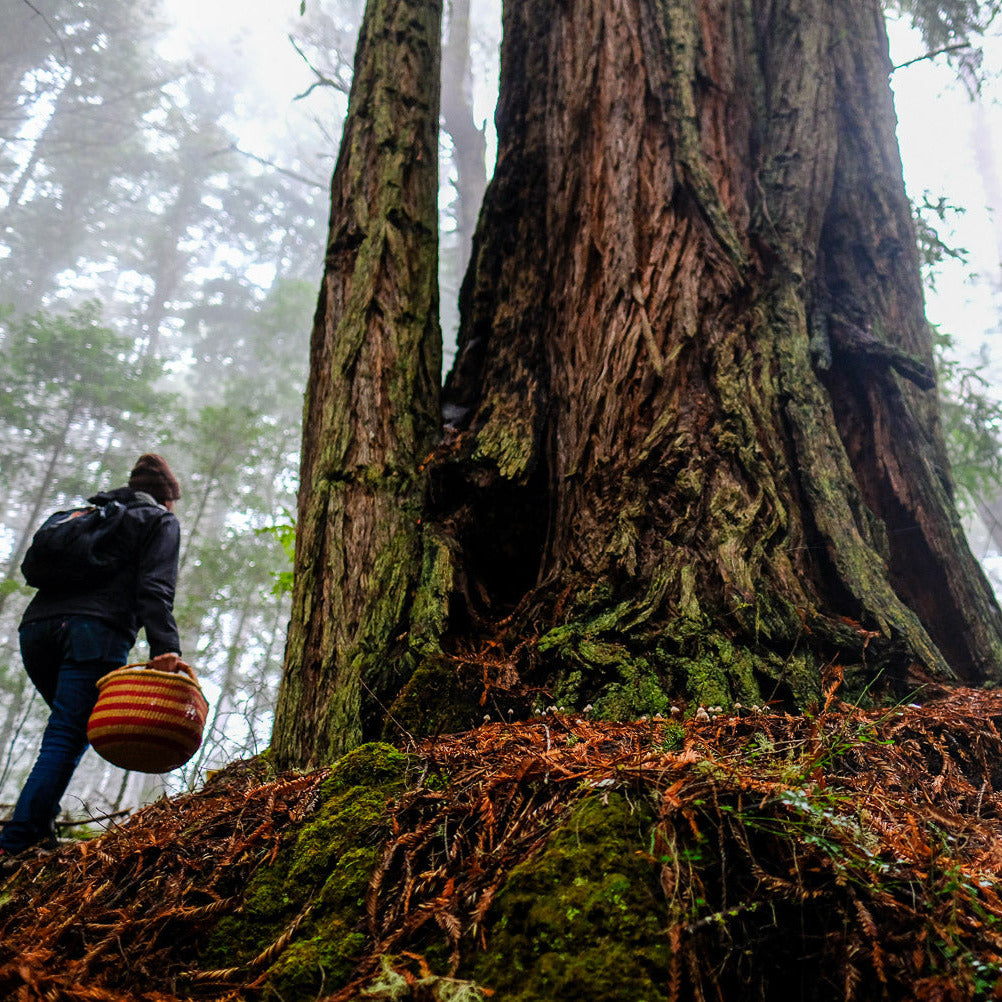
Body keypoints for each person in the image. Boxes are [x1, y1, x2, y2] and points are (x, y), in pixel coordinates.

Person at [0, 454, 183, 864]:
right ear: (167, 498)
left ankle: (37, 824)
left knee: (70, 730)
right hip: (94, 635)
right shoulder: (159, 521)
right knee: (68, 734)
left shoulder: (88, 516)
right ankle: (17, 842)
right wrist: (165, 648)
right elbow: (155, 587)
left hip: (37, 631)